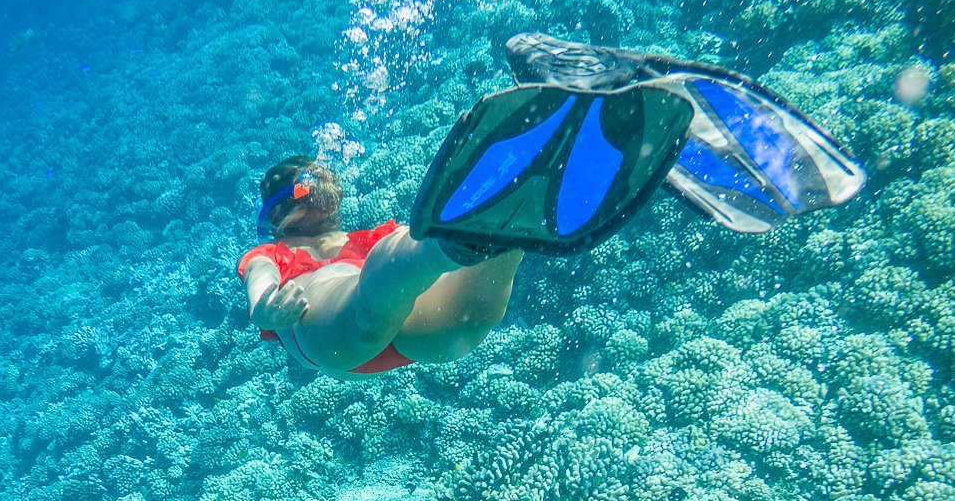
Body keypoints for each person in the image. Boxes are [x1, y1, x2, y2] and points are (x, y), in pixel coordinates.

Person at [239, 37, 867, 380]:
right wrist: (268, 301)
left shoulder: (377, 234)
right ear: (274, 215)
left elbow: (393, 258)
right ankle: (505, 207)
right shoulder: (271, 254)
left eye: (321, 182)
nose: (315, 195)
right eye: (298, 192)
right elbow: (262, 285)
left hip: (406, 318)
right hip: (326, 329)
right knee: (386, 277)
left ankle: (522, 169)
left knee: (422, 261)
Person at [238, 158, 523, 379]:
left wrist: (263, 305)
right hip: (389, 325)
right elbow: (261, 278)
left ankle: (510, 223)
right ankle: (506, 213)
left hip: (339, 341)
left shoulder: (273, 252)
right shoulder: (372, 239)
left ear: (274, 215)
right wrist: (263, 305)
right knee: (465, 308)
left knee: (467, 314)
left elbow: (260, 274)